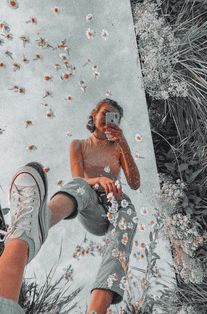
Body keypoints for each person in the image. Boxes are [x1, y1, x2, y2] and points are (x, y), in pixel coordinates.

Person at [0, 98, 140, 314]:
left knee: (128, 220)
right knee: (80, 186)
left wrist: (124, 145)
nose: (108, 120)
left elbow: (135, 183)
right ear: (94, 115)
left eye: (115, 118)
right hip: (90, 201)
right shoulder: (78, 145)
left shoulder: (118, 149)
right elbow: (78, 177)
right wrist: (99, 180)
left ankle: (97, 308)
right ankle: (39, 223)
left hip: (117, 204)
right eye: (105, 113)